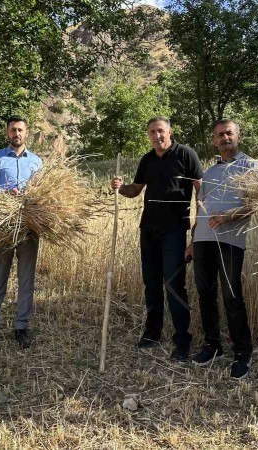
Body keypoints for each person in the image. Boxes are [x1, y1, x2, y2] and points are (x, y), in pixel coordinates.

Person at [111, 116, 203, 361]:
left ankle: (182, 340)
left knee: (174, 285)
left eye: (160, 131)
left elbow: (201, 191)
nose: (156, 136)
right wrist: (120, 186)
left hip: (174, 230)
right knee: (151, 283)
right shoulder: (148, 159)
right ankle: (152, 333)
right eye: (152, 132)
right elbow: (135, 190)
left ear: (170, 132)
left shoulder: (186, 155)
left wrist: (198, 228)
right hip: (148, 229)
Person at [185, 119, 257, 380]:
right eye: (219, 135)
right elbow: (200, 210)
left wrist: (229, 216)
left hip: (230, 241)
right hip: (203, 241)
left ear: (238, 136)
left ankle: (242, 352)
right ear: (214, 141)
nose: (225, 138)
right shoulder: (210, 173)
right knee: (205, 294)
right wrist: (193, 241)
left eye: (229, 133)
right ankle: (212, 346)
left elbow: (256, 206)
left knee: (232, 296)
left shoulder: (252, 167)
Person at [0, 115, 43, 350]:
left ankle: (21, 327)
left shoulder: (37, 162)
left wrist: (29, 198)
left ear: (26, 133)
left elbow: (41, 195)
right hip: (3, 227)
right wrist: (8, 195)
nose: (16, 134)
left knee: (26, 280)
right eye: (12, 130)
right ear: (7, 133)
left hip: (28, 227)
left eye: (20, 130)